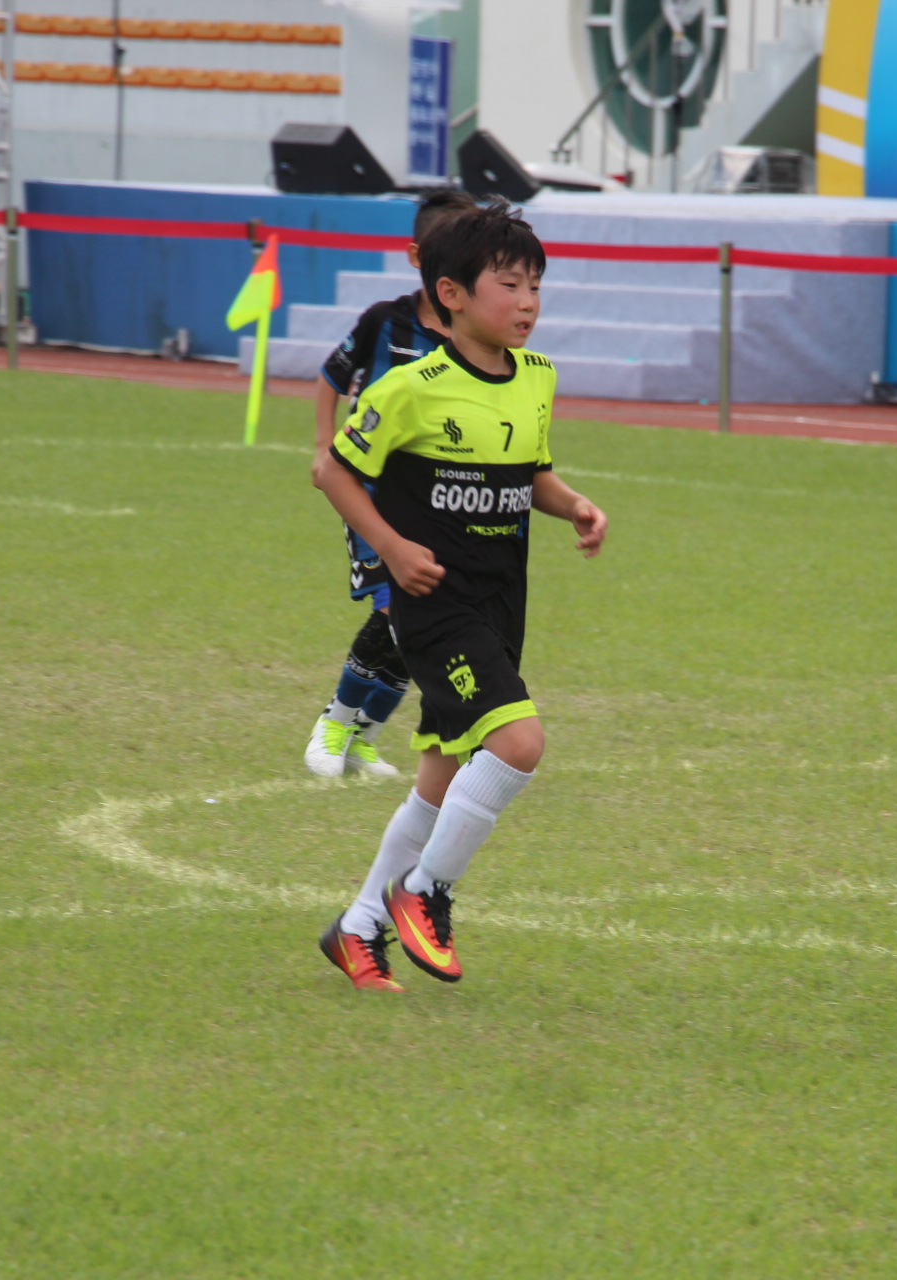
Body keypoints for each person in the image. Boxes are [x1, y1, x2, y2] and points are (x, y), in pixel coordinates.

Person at [313, 202, 608, 991]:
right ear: (451, 293)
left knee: (442, 777)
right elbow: (332, 471)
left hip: (501, 602)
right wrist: (392, 547)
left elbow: (531, 474)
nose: (527, 302)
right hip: (433, 606)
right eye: (509, 285)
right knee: (518, 744)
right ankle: (424, 892)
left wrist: (575, 504)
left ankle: (357, 928)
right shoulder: (412, 388)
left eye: (535, 285)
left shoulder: (537, 378)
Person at [303, 189, 481, 780]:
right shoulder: (385, 321)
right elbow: (332, 375)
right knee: (392, 611)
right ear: (417, 256)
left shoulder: (468, 336)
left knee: (419, 624)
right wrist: (324, 447)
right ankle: (333, 724)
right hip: (370, 495)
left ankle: (365, 737)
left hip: (432, 504)